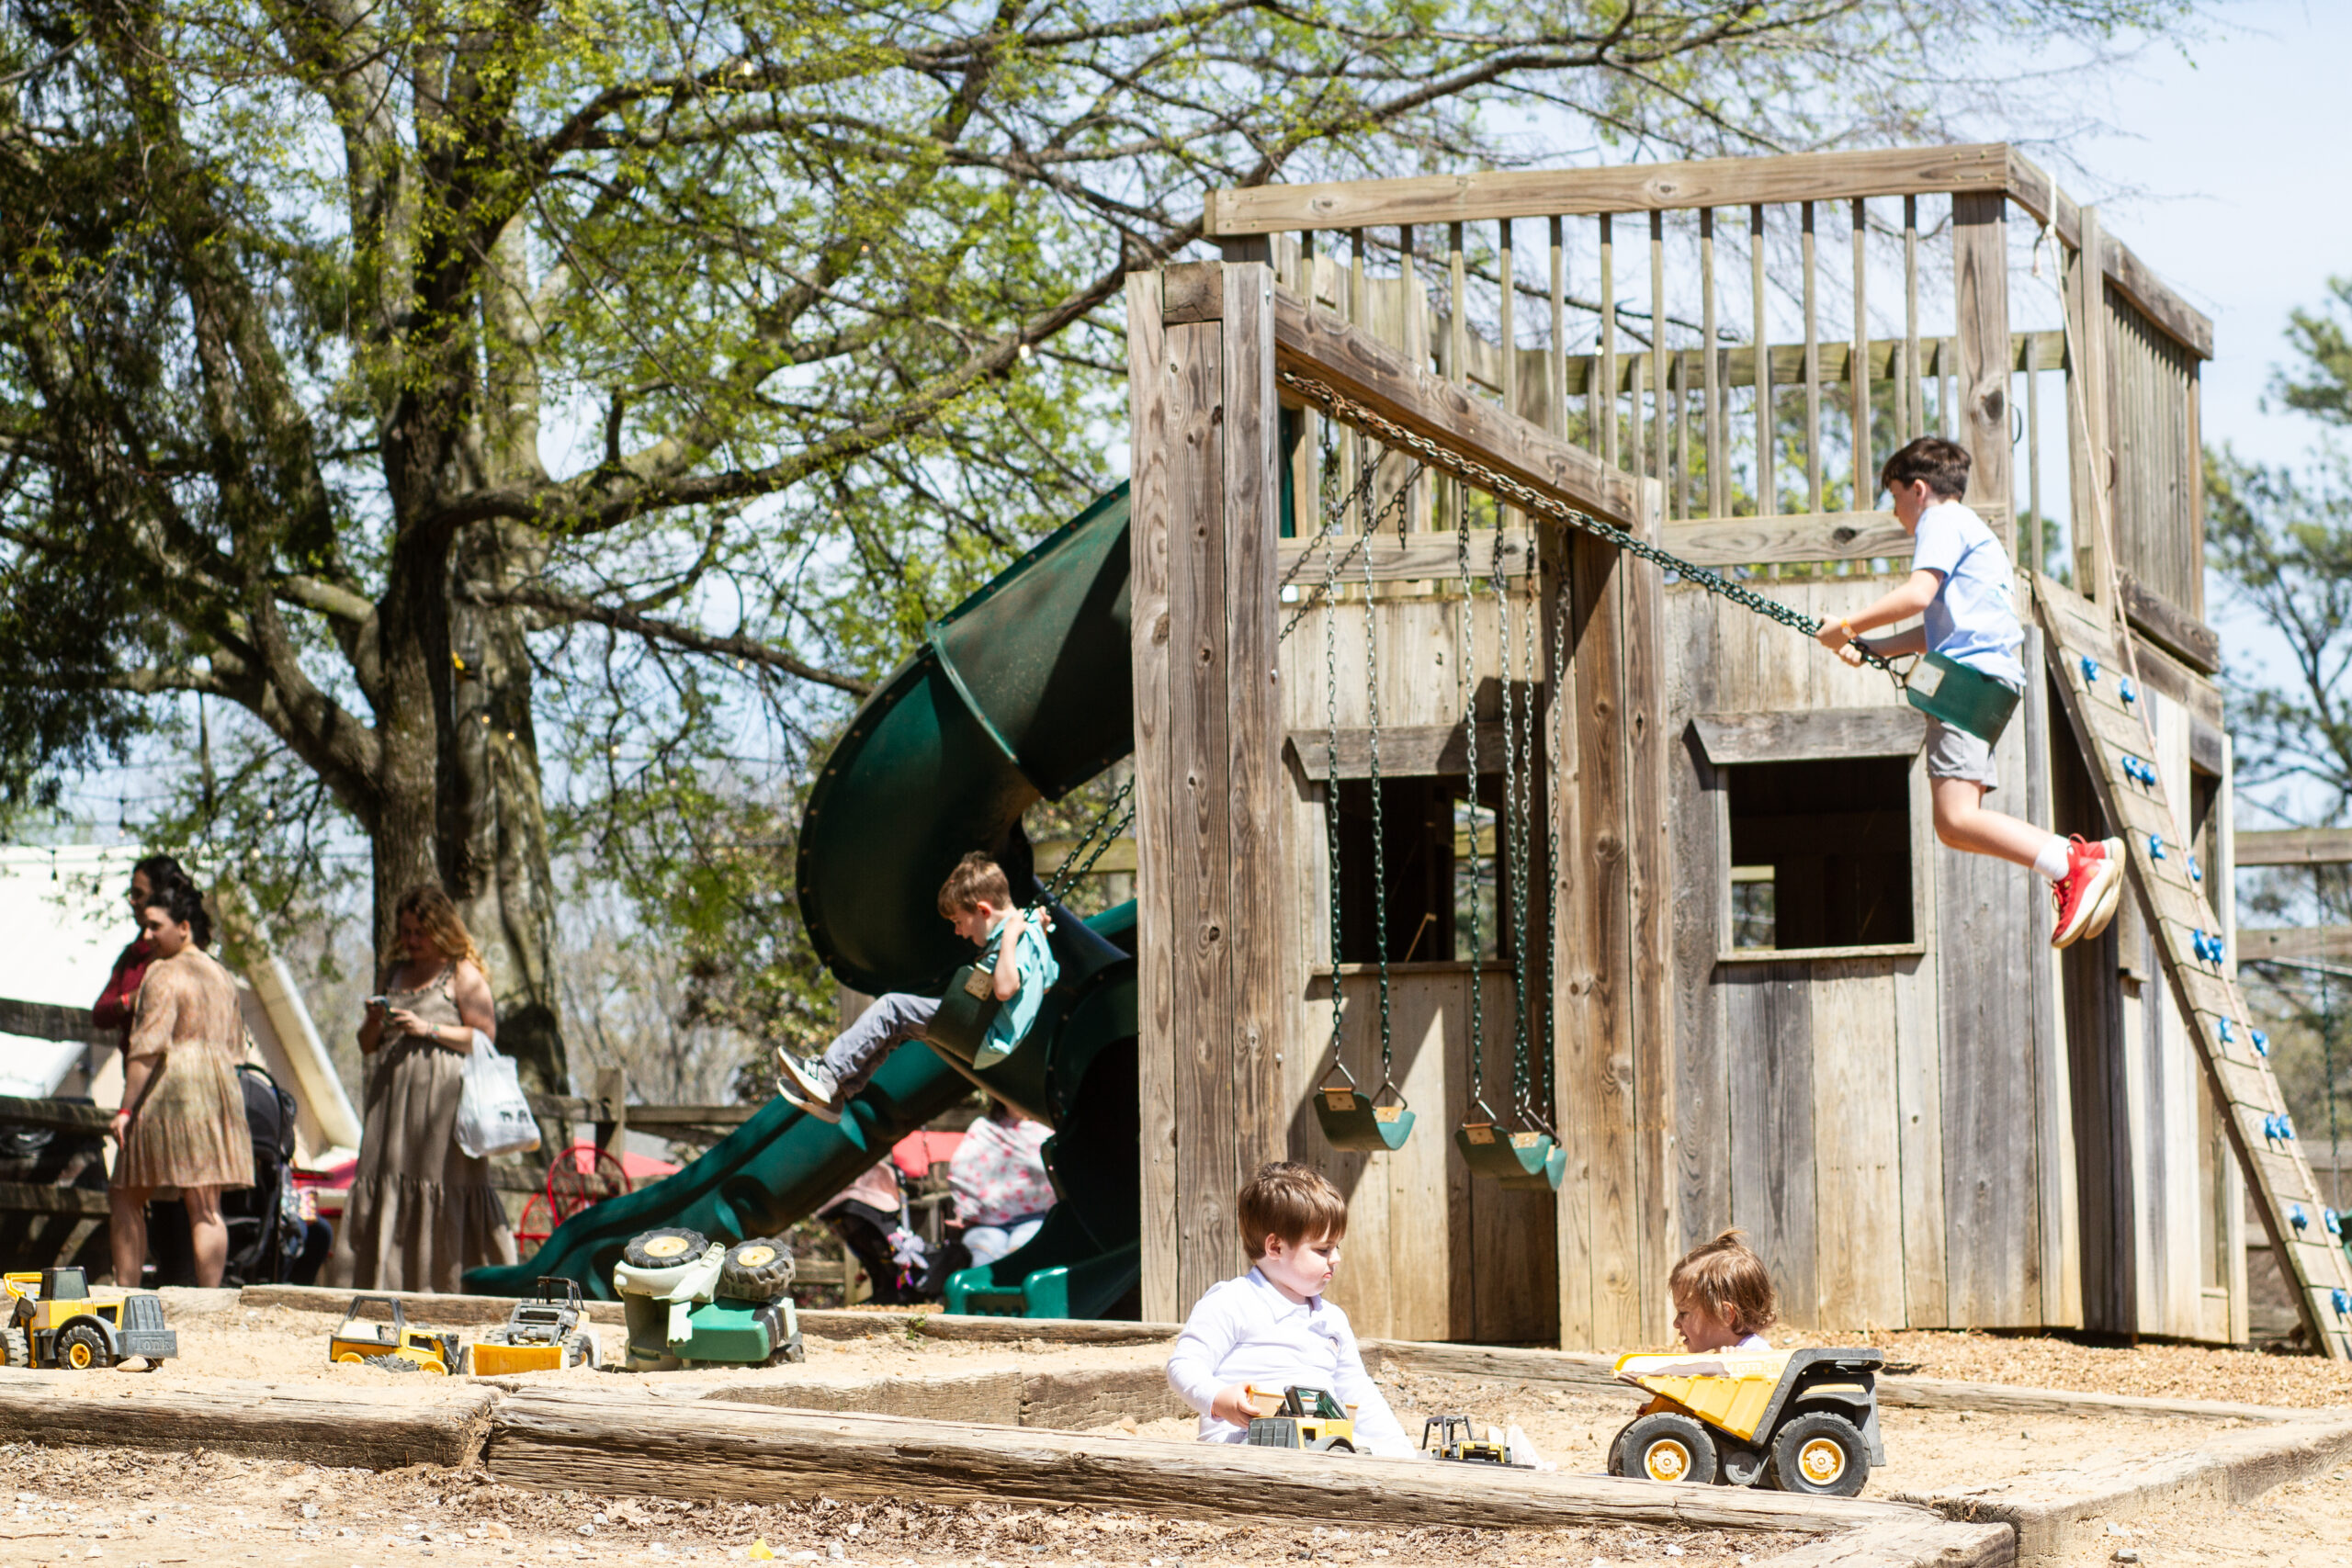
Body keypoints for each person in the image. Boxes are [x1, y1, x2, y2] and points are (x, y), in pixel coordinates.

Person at [1814, 436, 2125, 950]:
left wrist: (1844, 624)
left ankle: (2073, 862)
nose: (1897, 516)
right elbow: (1944, 624)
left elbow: (1918, 595)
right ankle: (2076, 862)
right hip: (1990, 680)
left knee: (1955, 819)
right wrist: (1873, 646)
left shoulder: (1940, 522)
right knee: (1957, 823)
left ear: (1919, 489)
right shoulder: (1978, 533)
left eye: (1895, 500)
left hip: (1966, 679)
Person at [327, 886, 516, 1292]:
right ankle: (381, 1282)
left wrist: (427, 1028)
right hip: (392, 1104)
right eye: (407, 931)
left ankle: (450, 1285)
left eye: (420, 932)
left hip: (443, 1106)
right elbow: (366, 1046)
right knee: (389, 1179)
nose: (411, 941)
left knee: (441, 1185)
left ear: (440, 929)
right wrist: (375, 1020)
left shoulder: (463, 974)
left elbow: (484, 1038)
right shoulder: (393, 972)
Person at [774, 852, 1057, 1122]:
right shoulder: (1031, 933)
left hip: (983, 1031)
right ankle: (835, 1094)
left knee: (891, 1008)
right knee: (897, 1028)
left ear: (983, 910)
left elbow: (1006, 989)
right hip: (987, 1033)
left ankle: (827, 1074)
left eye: (959, 922)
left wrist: (1009, 937)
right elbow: (1045, 984)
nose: (959, 931)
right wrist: (1041, 933)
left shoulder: (1016, 934)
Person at [1163, 1161, 1416, 1459]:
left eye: (1337, 1247)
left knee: (1362, 1450)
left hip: (1321, 1441)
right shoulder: (1233, 1301)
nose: (1336, 1258)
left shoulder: (1331, 1319)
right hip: (1244, 1440)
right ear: (1276, 1248)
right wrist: (1218, 1399)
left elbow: (1358, 1390)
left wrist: (1400, 1452)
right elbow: (1184, 1365)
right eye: (1323, 1249)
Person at [107, 879, 253, 1289]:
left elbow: (147, 1046)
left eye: (156, 926)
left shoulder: (163, 972)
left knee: (125, 1192)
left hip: (172, 1088)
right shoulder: (220, 974)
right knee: (206, 1204)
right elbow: (236, 1045)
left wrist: (125, 1109)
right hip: (219, 1087)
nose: (147, 936)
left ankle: (126, 1293)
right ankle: (210, 1300)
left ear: (184, 927)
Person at [90, 854, 197, 1045]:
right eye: (130, 894)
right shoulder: (132, 955)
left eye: (138, 894)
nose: (132, 901)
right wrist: (129, 1000)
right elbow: (100, 1013)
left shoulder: (190, 957)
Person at [949, 1098, 1056, 1266]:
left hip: (1034, 1218)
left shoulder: (1044, 1130)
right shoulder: (984, 1128)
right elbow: (962, 1168)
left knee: (1021, 1258)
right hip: (988, 1222)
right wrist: (965, 1208)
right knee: (981, 1262)